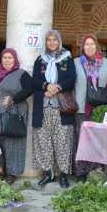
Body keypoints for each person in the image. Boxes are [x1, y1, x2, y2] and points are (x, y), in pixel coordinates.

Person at [32, 30, 76, 188]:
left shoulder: (67, 59)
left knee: (62, 141)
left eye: (54, 40)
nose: (51, 43)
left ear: (59, 41)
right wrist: (46, 86)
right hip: (43, 108)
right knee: (44, 141)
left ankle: (63, 174)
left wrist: (57, 87)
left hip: (61, 109)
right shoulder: (40, 60)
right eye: (49, 40)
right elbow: (34, 80)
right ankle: (48, 173)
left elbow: (72, 79)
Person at [0, 48, 33, 184]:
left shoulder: (22, 74)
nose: (7, 60)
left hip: (13, 113)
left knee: (12, 142)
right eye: (5, 58)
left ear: (15, 59)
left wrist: (14, 99)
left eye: (10, 58)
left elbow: (30, 88)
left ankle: (12, 173)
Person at [72, 34, 107, 182]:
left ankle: (96, 171)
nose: (89, 47)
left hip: (99, 110)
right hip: (82, 109)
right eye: (86, 44)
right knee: (81, 142)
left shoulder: (105, 63)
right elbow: (72, 85)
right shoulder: (76, 63)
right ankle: (81, 173)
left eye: (92, 44)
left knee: (98, 142)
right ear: (83, 48)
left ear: (97, 46)